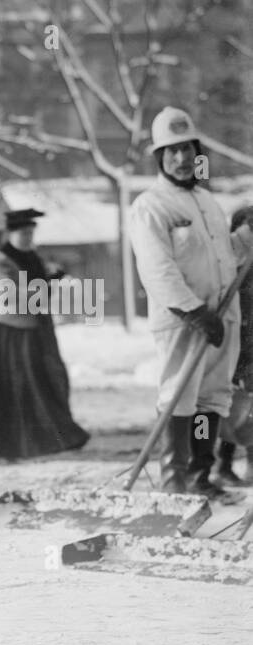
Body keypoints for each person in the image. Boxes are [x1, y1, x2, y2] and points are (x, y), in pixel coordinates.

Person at [128, 107, 247, 497]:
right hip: (184, 320)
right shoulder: (150, 207)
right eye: (170, 151)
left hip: (221, 317)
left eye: (187, 149)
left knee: (211, 400)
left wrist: (246, 236)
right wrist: (194, 311)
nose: (180, 159)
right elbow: (157, 268)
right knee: (180, 396)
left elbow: (222, 254)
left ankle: (200, 476)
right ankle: (173, 480)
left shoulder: (208, 202)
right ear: (159, 158)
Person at [0, 208, 90, 460]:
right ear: (11, 233)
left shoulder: (33, 256)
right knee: (15, 385)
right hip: (12, 332)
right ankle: (14, 443)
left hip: (37, 327)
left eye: (31, 233)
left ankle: (50, 437)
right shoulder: (1, 260)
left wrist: (49, 279)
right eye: (23, 233)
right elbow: (7, 296)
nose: (28, 237)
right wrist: (46, 285)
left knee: (48, 380)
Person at [214, 206, 253, 486]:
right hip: (235, 341)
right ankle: (222, 464)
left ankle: (251, 465)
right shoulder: (231, 265)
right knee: (226, 407)